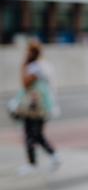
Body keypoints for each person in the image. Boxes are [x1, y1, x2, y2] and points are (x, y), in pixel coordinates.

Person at [15, 41, 61, 176]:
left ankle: (33, 164)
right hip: (43, 106)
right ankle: (53, 156)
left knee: (30, 135)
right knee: (36, 134)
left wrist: (24, 66)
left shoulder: (34, 68)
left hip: (34, 107)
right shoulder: (45, 66)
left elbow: (25, 84)